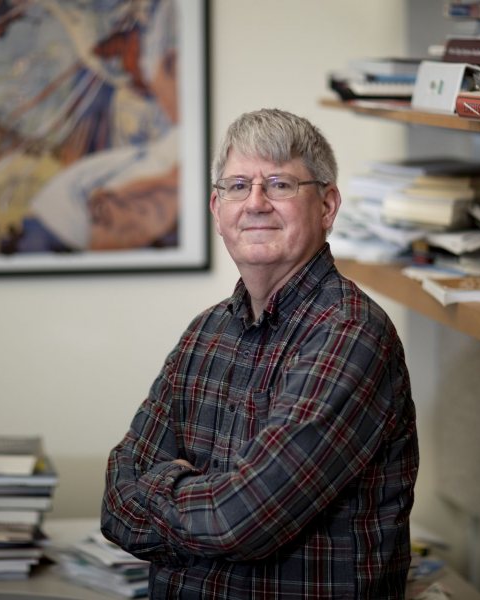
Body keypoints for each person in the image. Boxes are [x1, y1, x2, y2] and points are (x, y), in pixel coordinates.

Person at [101, 108, 419, 598]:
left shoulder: (351, 335)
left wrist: (160, 487)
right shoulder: (204, 334)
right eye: (236, 186)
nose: (255, 203)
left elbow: (241, 521)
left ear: (328, 206)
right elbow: (115, 503)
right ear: (216, 208)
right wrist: (200, 497)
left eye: (280, 184)